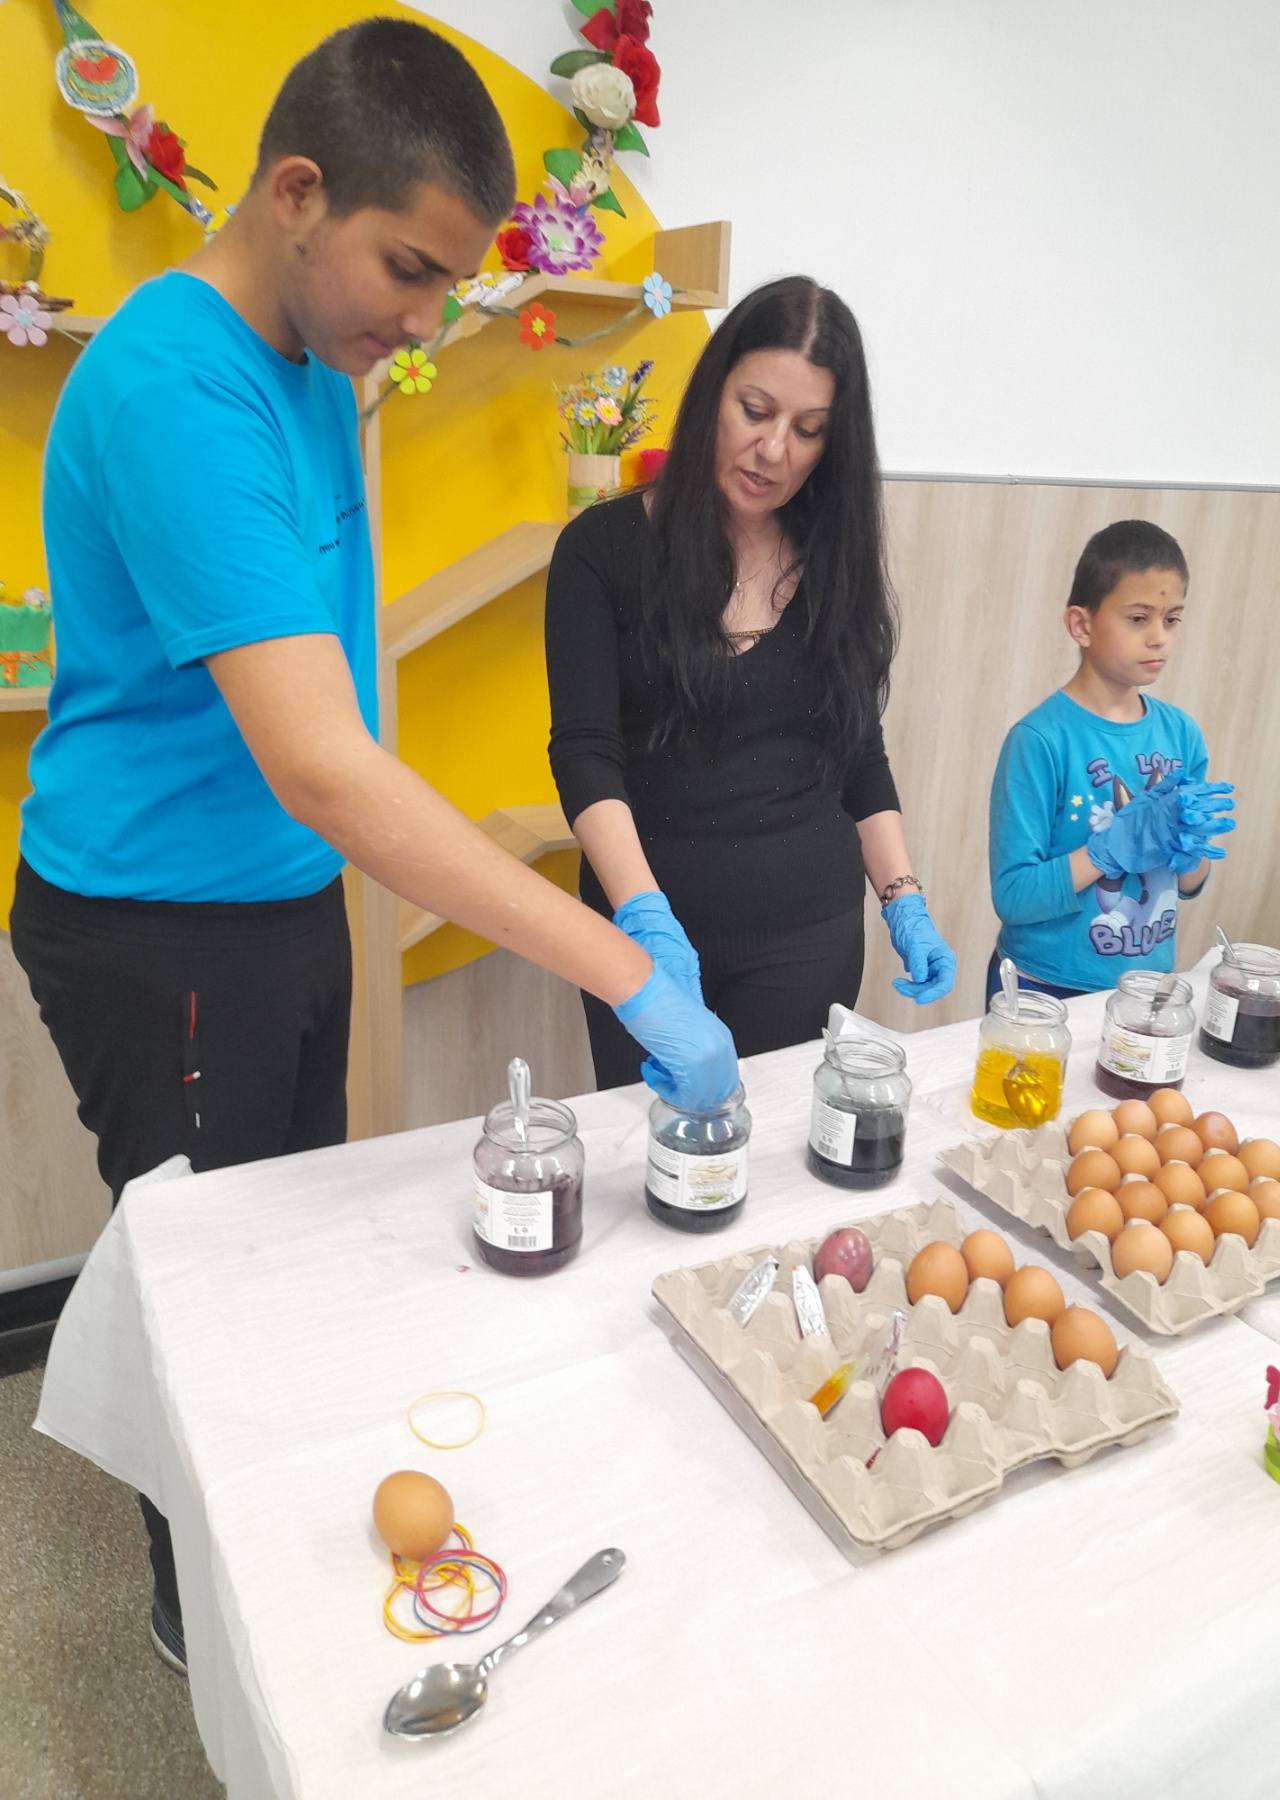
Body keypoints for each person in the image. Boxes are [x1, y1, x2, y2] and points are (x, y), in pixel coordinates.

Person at [9, 19, 736, 1675]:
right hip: (155, 922)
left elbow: (336, 706)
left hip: (273, 897)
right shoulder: (176, 386)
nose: (419, 322)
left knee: (294, 1265)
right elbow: (326, 767)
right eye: (409, 269)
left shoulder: (315, 363)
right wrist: (623, 967)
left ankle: (274, 1574)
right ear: (296, 193)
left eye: (447, 286)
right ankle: (210, 1634)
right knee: (212, 1298)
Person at [545, 276, 956, 1089]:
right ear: (713, 394)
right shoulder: (600, 550)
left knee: (778, 1151)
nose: (774, 451)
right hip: (641, 936)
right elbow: (584, 752)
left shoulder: (834, 559)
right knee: (650, 1144)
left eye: (808, 430)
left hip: (807, 934)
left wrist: (902, 895)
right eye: (755, 411)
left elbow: (857, 752)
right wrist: (644, 917)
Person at [986, 520, 1236, 1004]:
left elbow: (1190, 885)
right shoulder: (1039, 740)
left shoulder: (1181, 734)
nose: (1160, 638)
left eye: (1172, 619)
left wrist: (1191, 853)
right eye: (1138, 619)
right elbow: (1014, 897)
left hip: (1145, 988)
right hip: (1042, 987)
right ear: (1082, 625)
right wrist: (1107, 851)